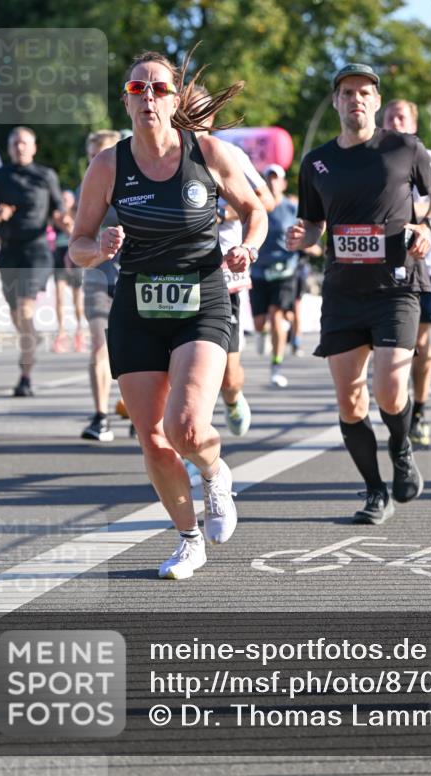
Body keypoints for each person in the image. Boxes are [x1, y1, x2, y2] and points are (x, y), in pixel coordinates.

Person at [69, 51, 267, 580]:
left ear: (175, 99)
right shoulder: (108, 165)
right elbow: (77, 245)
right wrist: (99, 247)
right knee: (152, 437)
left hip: (200, 300)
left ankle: (215, 471)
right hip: (136, 305)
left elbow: (255, 209)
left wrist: (247, 246)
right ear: (126, 100)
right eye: (138, 89)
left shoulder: (207, 153)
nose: (148, 97)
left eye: (158, 88)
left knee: (185, 427)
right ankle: (188, 539)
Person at [287, 63, 431, 525]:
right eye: (347, 92)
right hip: (342, 292)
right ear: (337, 102)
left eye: (364, 92)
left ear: (376, 102)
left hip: (396, 288)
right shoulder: (316, 162)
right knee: (349, 401)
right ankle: (374, 490)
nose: (355, 99)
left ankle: (401, 451)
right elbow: (315, 225)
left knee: (390, 388)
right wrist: (303, 236)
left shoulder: (404, 147)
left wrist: (429, 225)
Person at [381, 98, 431, 448]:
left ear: (413, 125)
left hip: (423, 262)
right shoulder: (371, 157)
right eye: (389, 117)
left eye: (402, 117)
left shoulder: (429, 158)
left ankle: (420, 411)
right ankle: (394, 406)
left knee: (421, 343)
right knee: (383, 344)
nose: (395, 122)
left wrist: (424, 219)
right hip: (380, 263)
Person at [195, 91, 274, 435]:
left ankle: (231, 397)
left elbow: (265, 200)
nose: (190, 116)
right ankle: (189, 429)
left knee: (227, 374)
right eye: (184, 109)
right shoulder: (159, 155)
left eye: (199, 111)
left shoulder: (228, 154)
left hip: (223, 268)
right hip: (176, 273)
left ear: (211, 116)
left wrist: (221, 213)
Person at [0, 126, 63, 397]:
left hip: (37, 251)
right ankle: (31, 339)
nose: (20, 147)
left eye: (24, 143)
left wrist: (65, 220)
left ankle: (25, 376)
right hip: (9, 252)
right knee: (16, 313)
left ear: (34, 147)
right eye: (15, 143)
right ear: (9, 148)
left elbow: (59, 209)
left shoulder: (46, 175)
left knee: (25, 308)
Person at [77, 130, 123, 442]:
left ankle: (140, 411)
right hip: (97, 274)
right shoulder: (87, 185)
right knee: (98, 345)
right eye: (93, 154)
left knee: (142, 352)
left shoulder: (140, 179)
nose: (98, 160)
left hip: (135, 276)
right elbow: (78, 234)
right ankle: (101, 416)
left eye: (103, 153)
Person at [250, 164, 299, 388]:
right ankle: (262, 333)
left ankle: (276, 366)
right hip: (259, 271)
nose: (271, 182)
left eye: (276, 179)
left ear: (283, 183)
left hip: (285, 270)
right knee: (260, 323)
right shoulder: (256, 207)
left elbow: (307, 229)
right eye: (268, 178)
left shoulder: (291, 208)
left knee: (276, 315)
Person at [52, 190, 87, 353]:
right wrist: (65, 224)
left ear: (73, 200)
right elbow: (58, 224)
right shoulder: (57, 215)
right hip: (60, 254)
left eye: (67, 198)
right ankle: (61, 333)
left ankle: (80, 331)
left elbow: (77, 232)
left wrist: (69, 225)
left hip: (74, 255)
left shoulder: (78, 213)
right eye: (62, 198)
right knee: (59, 296)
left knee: (77, 298)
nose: (64, 201)